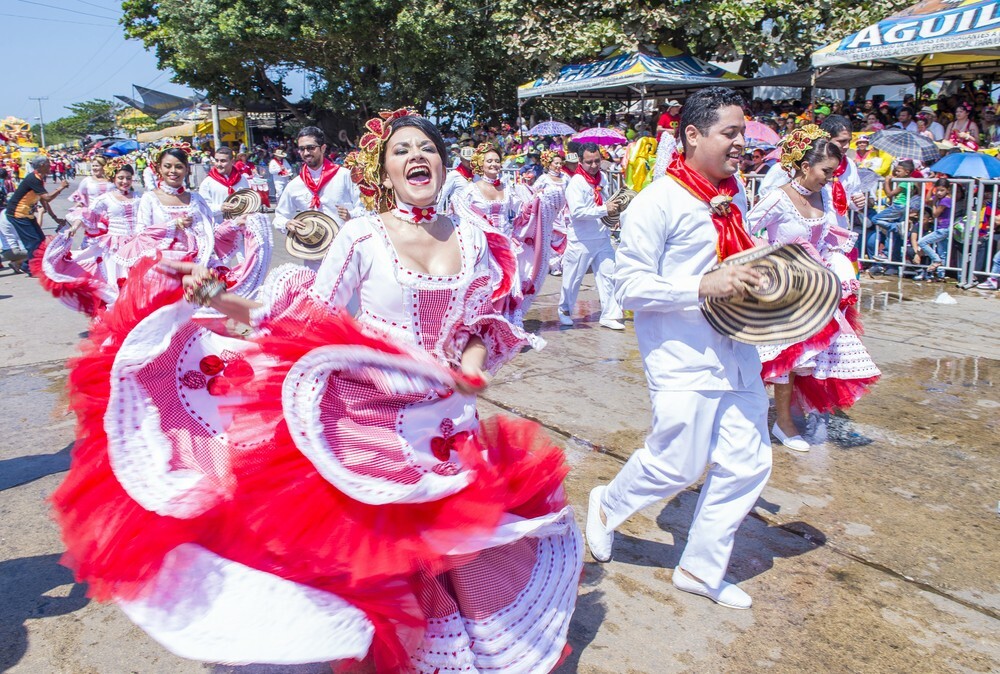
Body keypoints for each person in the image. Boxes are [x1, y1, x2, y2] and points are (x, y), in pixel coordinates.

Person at [51, 109, 580, 672]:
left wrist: (472, 369)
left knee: (454, 548)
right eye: (401, 151)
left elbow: (480, 324)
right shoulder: (362, 236)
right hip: (367, 417)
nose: (416, 157)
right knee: (387, 553)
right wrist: (216, 297)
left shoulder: (476, 238)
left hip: (447, 423)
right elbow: (298, 319)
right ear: (382, 171)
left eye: (426, 147)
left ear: (445, 163)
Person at [585, 86, 771, 609]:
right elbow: (629, 287)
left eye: (743, 133)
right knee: (677, 464)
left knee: (749, 462)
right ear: (692, 135)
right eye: (729, 133)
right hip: (682, 353)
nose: (740, 143)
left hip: (738, 349)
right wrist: (701, 286)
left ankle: (700, 570)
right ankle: (607, 505)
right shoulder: (657, 201)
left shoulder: (735, 198)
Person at [748, 126, 880, 451]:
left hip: (815, 292)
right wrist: (772, 258)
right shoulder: (778, 197)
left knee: (806, 360)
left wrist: (837, 266)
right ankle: (780, 422)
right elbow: (744, 229)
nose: (829, 178)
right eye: (825, 171)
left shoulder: (824, 195)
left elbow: (830, 239)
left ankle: (784, 418)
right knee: (782, 360)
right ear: (805, 166)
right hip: (782, 291)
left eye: (833, 172)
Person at [555, 142, 625, 330]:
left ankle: (610, 314)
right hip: (582, 239)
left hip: (602, 237)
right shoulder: (576, 183)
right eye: (589, 162)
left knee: (609, 275)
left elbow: (608, 200)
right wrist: (604, 209)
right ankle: (565, 310)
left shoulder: (602, 178)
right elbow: (577, 212)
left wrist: (614, 212)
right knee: (573, 278)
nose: (594, 165)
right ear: (580, 161)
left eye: (597, 161)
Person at [273, 126, 364, 268]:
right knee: (317, 290)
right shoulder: (294, 185)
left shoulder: (344, 176)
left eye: (311, 148)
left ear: (323, 148)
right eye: (302, 148)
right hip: (313, 254)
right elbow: (279, 216)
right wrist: (287, 223)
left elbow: (366, 208)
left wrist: (350, 215)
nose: (306, 153)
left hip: (347, 249)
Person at [5, 156, 69, 274]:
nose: (51, 167)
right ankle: (30, 269)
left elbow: (43, 201)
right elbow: (47, 198)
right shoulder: (33, 178)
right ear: (41, 166)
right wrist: (61, 187)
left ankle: (22, 264)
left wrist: (54, 218)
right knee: (33, 242)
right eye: (48, 164)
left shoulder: (39, 178)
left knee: (40, 241)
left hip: (26, 213)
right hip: (17, 214)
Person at [912, 178, 958, 282]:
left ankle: (936, 260)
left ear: (947, 190)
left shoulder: (946, 200)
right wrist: (932, 187)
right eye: (937, 190)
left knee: (922, 242)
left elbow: (935, 214)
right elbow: (927, 200)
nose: (939, 193)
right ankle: (941, 275)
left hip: (944, 229)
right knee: (942, 252)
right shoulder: (939, 198)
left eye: (942, 190)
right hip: (941, 228)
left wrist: (934, 204)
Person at [533, 150, 570, 275]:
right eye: (556, 163)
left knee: (564, 237)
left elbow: (572, 192)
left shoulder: (565, 177)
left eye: (560, 163)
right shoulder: (544, 179)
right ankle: (553, 265)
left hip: (563, 213)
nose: (559, 166)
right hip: (549, 213)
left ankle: (563, 263)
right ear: (548, 164)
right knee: (551, 238)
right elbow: (534, 193)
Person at [66, 156, 116, 246]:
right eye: (93, 166)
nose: (94, 168)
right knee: (92, 242)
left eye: (97, 166)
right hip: (93, 214)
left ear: (104, 166)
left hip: (110, 214)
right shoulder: (87, 180)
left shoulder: (112, 180)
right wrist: (80, 204)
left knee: (109, 242)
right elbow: (81, 195)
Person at [197, 146, 251, 224]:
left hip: (239, 228)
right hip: (217, 228)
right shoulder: (207, 182)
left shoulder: (242, 179)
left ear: (232, 161)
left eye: (223, 161)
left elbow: (248, 202)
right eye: (216, 160)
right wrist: (220, 208)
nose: (219, 164)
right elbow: (202, 208)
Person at [436, 145, 475, 214]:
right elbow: (442, 195)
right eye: (467, 160)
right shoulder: (453, 175)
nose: (470, 163)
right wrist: (437, 213)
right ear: (461, 159)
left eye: (472, 160)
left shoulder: (477, 175)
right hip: (458, 213)